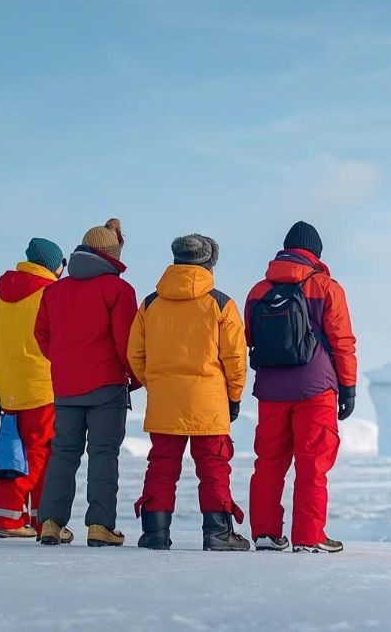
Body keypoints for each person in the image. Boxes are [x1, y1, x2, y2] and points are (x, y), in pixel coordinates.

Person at [129, 234, 250, 552]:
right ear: (209, 264)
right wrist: (233, 397)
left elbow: (135, 355)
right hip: (208, 401)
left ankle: (155, 533)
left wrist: (155, 383)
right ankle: (218, 535)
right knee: (213, 467)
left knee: (161, 465)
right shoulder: (221, 303)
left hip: (164, 399)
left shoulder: (150, 303)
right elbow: (235, 359)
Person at [245, 221, 357, 553]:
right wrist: (348, 386)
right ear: (316, 254)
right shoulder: (326, 287)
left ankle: (265, 534)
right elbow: (342, 342)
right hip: (315, 389)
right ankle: (309, 537)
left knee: (268, 462)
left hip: (270, 389)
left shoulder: (258, 291)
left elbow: (249, 339)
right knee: (313, 463)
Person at [35, 219, 138, 547]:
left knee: (63, 453)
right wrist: (136, 377)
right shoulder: (119, 290)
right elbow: (126, 343)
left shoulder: (54, 290)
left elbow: (42, 334)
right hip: (107, 385)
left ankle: (50, 524)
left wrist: (65, 363)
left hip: (66, 386)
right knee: (103, 454)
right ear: (111, 254)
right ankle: (99, 526)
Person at [0, 238, 64, 540]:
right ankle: (4, 515)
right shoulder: (51, 293)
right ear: (55, 265)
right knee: (37, 453)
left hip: (9, 385)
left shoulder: (2, 298)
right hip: (42, 385)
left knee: (22, 450)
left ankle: (39, 519)